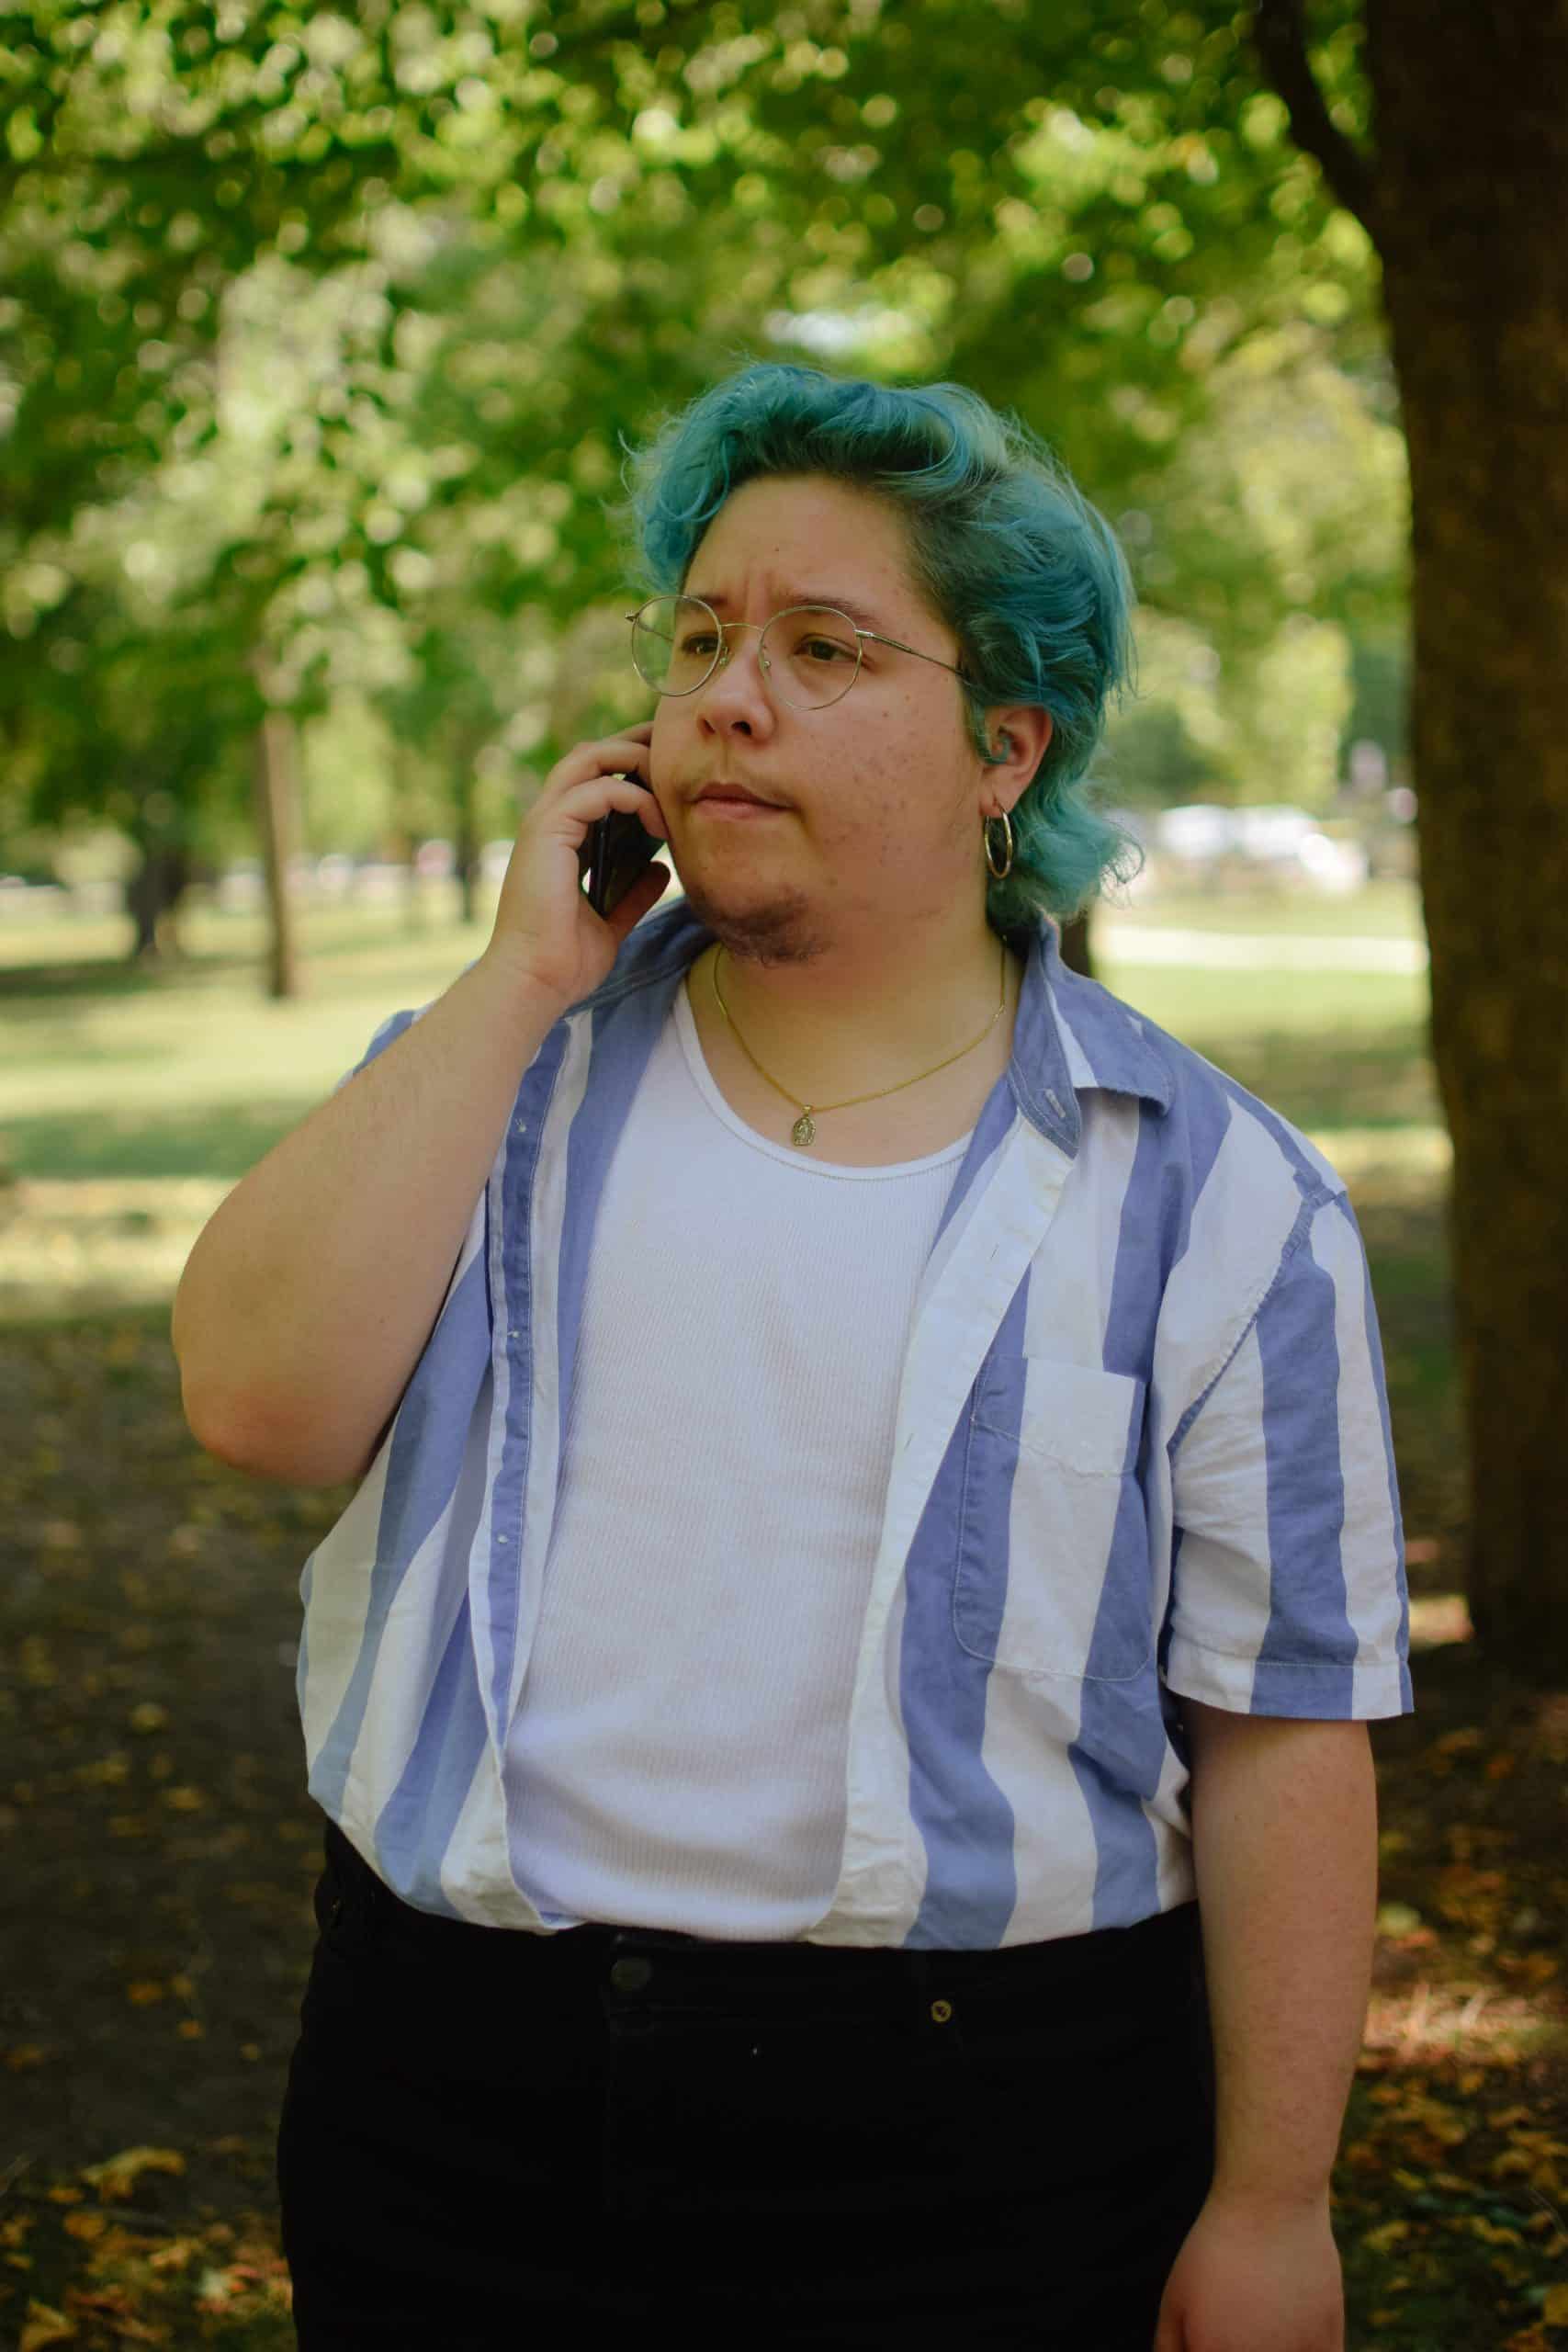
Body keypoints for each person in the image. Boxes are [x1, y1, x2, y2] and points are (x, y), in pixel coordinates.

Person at [171, 362, 1412, 2350]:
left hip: (984, 2141)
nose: (724, 694)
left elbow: (1278, 1730)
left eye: (824, 646)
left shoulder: (1218, 1198)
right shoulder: (503, 1066)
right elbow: (255, 1399)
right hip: (452, 2089)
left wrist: (1269, 2201)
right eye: (698, 635)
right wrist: (512, 980)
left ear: (1003, 746)